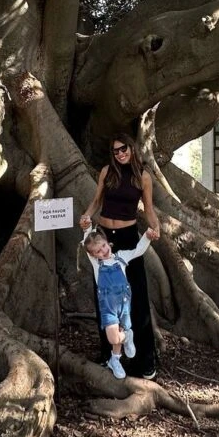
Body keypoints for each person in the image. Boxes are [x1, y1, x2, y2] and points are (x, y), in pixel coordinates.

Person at [79, 134, 161, 378]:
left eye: (123, 149)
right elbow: (96, 201)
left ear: (132, 148)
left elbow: (148, 209)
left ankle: (145, 361)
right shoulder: (107, 171)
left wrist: (155, 228)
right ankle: (109, 356)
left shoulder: (143, 177)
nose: (120, 154)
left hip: (127, 237)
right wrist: (86, 216)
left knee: (136, 294)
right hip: (104, 237)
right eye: (115, 151)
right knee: (104, 296)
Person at [82, 226, 155, 379]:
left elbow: (138, 250)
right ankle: (127, 337)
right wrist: (87, 228)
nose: (103, 250)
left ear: (107, 242)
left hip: (124, 305)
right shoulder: (97, 265)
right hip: (108, 307)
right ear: (94, 255)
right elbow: (87, 242)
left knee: (119, 334)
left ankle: (115, 360)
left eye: (103, 245)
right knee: (114, 338)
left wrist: (147, 236)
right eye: (98, 251)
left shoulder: (121, 257)